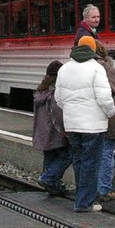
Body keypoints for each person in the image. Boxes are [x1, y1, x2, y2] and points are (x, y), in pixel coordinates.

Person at [54, 35, 114, 213]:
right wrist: (110, 113)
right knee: (91, 162)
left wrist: (71, 111)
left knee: (79, 161)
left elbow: (59, 98)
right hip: (93, 125)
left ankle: (81, 198)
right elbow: (104, 98)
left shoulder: (64, 69)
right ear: (93, 49)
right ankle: (84, 202)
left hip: (72, 123)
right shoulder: (96, 68)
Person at [32, 60, 71, 196]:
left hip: (42, 133)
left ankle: (53, 185)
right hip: (55, 132)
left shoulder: (40, 91)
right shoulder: (54, 94)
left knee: (49, 157)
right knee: (67, 155)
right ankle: (48, 179)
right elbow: (58, 116)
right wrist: (65, 131)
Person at [95, 41, 115, 203]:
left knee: (89, 154)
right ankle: (104, 188)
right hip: (105, 117)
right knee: (106, 153)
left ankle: (89, 188)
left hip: (84, 119)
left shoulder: (73, 67)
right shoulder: (105, 67)